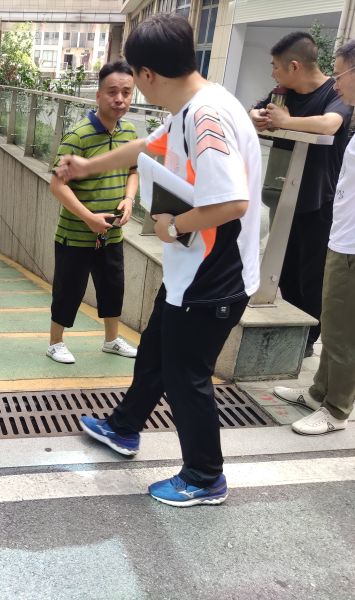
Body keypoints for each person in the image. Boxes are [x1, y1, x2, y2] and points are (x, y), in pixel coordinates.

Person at [56, 13, 261, 507]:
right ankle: (124, 426)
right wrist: (87, 165)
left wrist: (174, 226)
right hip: (192, 271)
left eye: (135, 78)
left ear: (148, 74)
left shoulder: (206, 117)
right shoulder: (194, 106)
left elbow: (233, 202)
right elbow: (146, 147)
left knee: (186, 375)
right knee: (155, 350)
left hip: (213, 276)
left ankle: (205, 476)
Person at [273, 36, 355, 435]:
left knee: (348, 333)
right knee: (334, 322)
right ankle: (319, 393)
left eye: (341, 73)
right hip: (344, 238)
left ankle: (336, 411)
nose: (336, 82)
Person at [250, 32, 353, 358]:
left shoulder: (336, 92)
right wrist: (256, 117)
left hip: (319, 200)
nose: (273, 74)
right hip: (282, 194)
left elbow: (330, 125)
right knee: (283, 268)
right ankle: (291, 331)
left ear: (294, 66)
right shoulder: (284, 93)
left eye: (276, 67)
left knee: (313, 273)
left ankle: (308, 338)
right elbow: (254, 112)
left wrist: (288, 121)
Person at [47, 60, 139, 364]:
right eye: (112, 92)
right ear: (98, 96)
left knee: (113, 288)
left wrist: (129, 199)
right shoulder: (78, 136)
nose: (119, 99)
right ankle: (55, 343)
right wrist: (89, 218)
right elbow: (57, 185)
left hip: (112, 233)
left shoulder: (130, 133)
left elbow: (133, 171)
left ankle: (111, 340)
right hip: (75, 234)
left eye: (126, 92)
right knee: (69, 290)